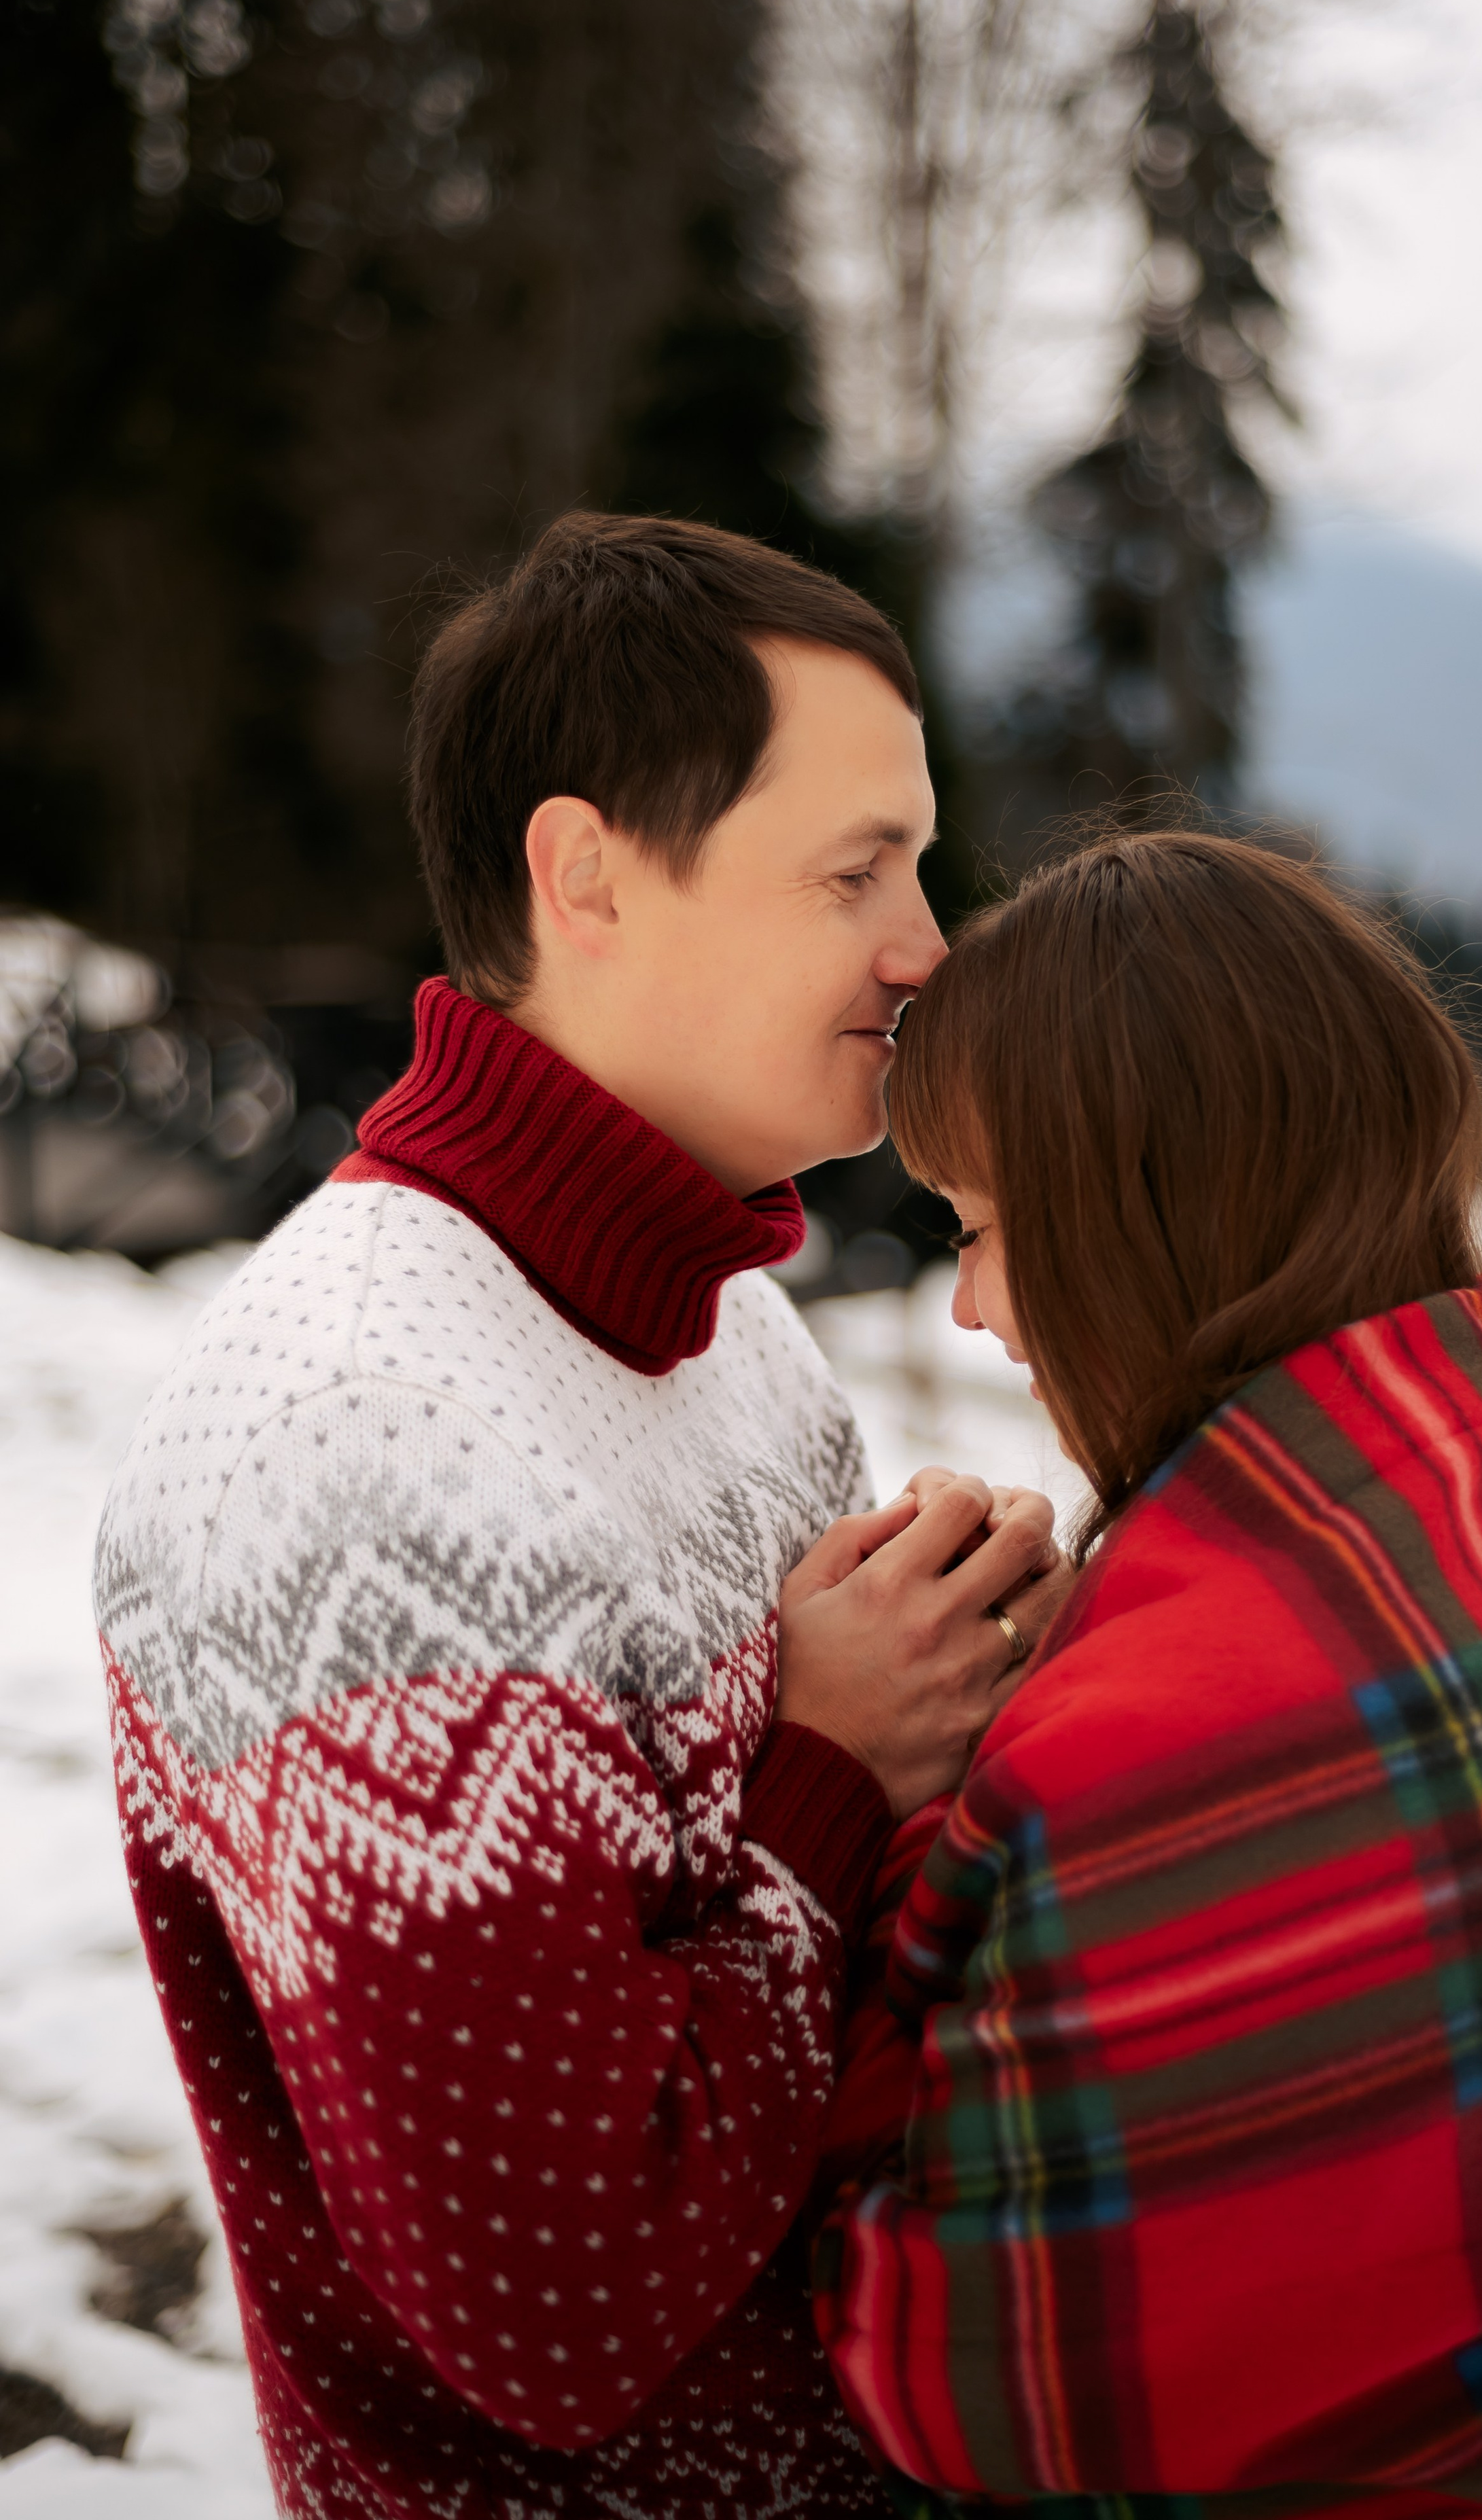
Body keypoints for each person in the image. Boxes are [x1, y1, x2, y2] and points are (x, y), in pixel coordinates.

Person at [94, 512, 1068, 2520]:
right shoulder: (356, 1444)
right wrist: (827, 1768)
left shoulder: (724, 1332)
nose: (927, 945)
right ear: (589, 873)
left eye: (925, 861)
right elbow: (558, 2310)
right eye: (855, 870)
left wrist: (989, 1687)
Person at [812, 830, 1482, 2520]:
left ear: (1142, 1222)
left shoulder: (1151, 1748)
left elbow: (976, 2388)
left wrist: (858, 1790)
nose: (970, 1307)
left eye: (989, 1225)